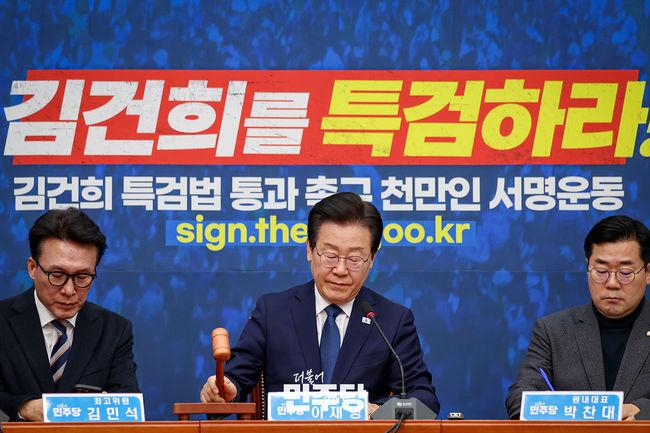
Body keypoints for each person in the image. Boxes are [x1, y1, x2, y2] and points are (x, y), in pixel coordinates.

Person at [200, 192, 439, 416]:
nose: (341, 270)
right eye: (331, 256)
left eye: (355, 259)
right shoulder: (272, 312)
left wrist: (377, 412)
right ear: (310, 250)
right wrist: (223, 391)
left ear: (372, 259)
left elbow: (424, 401)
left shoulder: (392, 320)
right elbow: (234, 381)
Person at [0, 208, 140, 421]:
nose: (69, 290)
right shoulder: (3, 321)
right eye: (57, 275)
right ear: (32, 268)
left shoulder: (114, 330)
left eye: (82, 277)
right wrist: (24, 408)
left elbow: (127, 405)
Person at [506, 215, 650, 420]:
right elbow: (520, 398)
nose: (612, 283)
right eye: (601, 271)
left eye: (625, 272)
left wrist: (644, 412)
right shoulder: (553, 331)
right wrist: (580, 411)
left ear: (648, 272)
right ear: (587, 268)